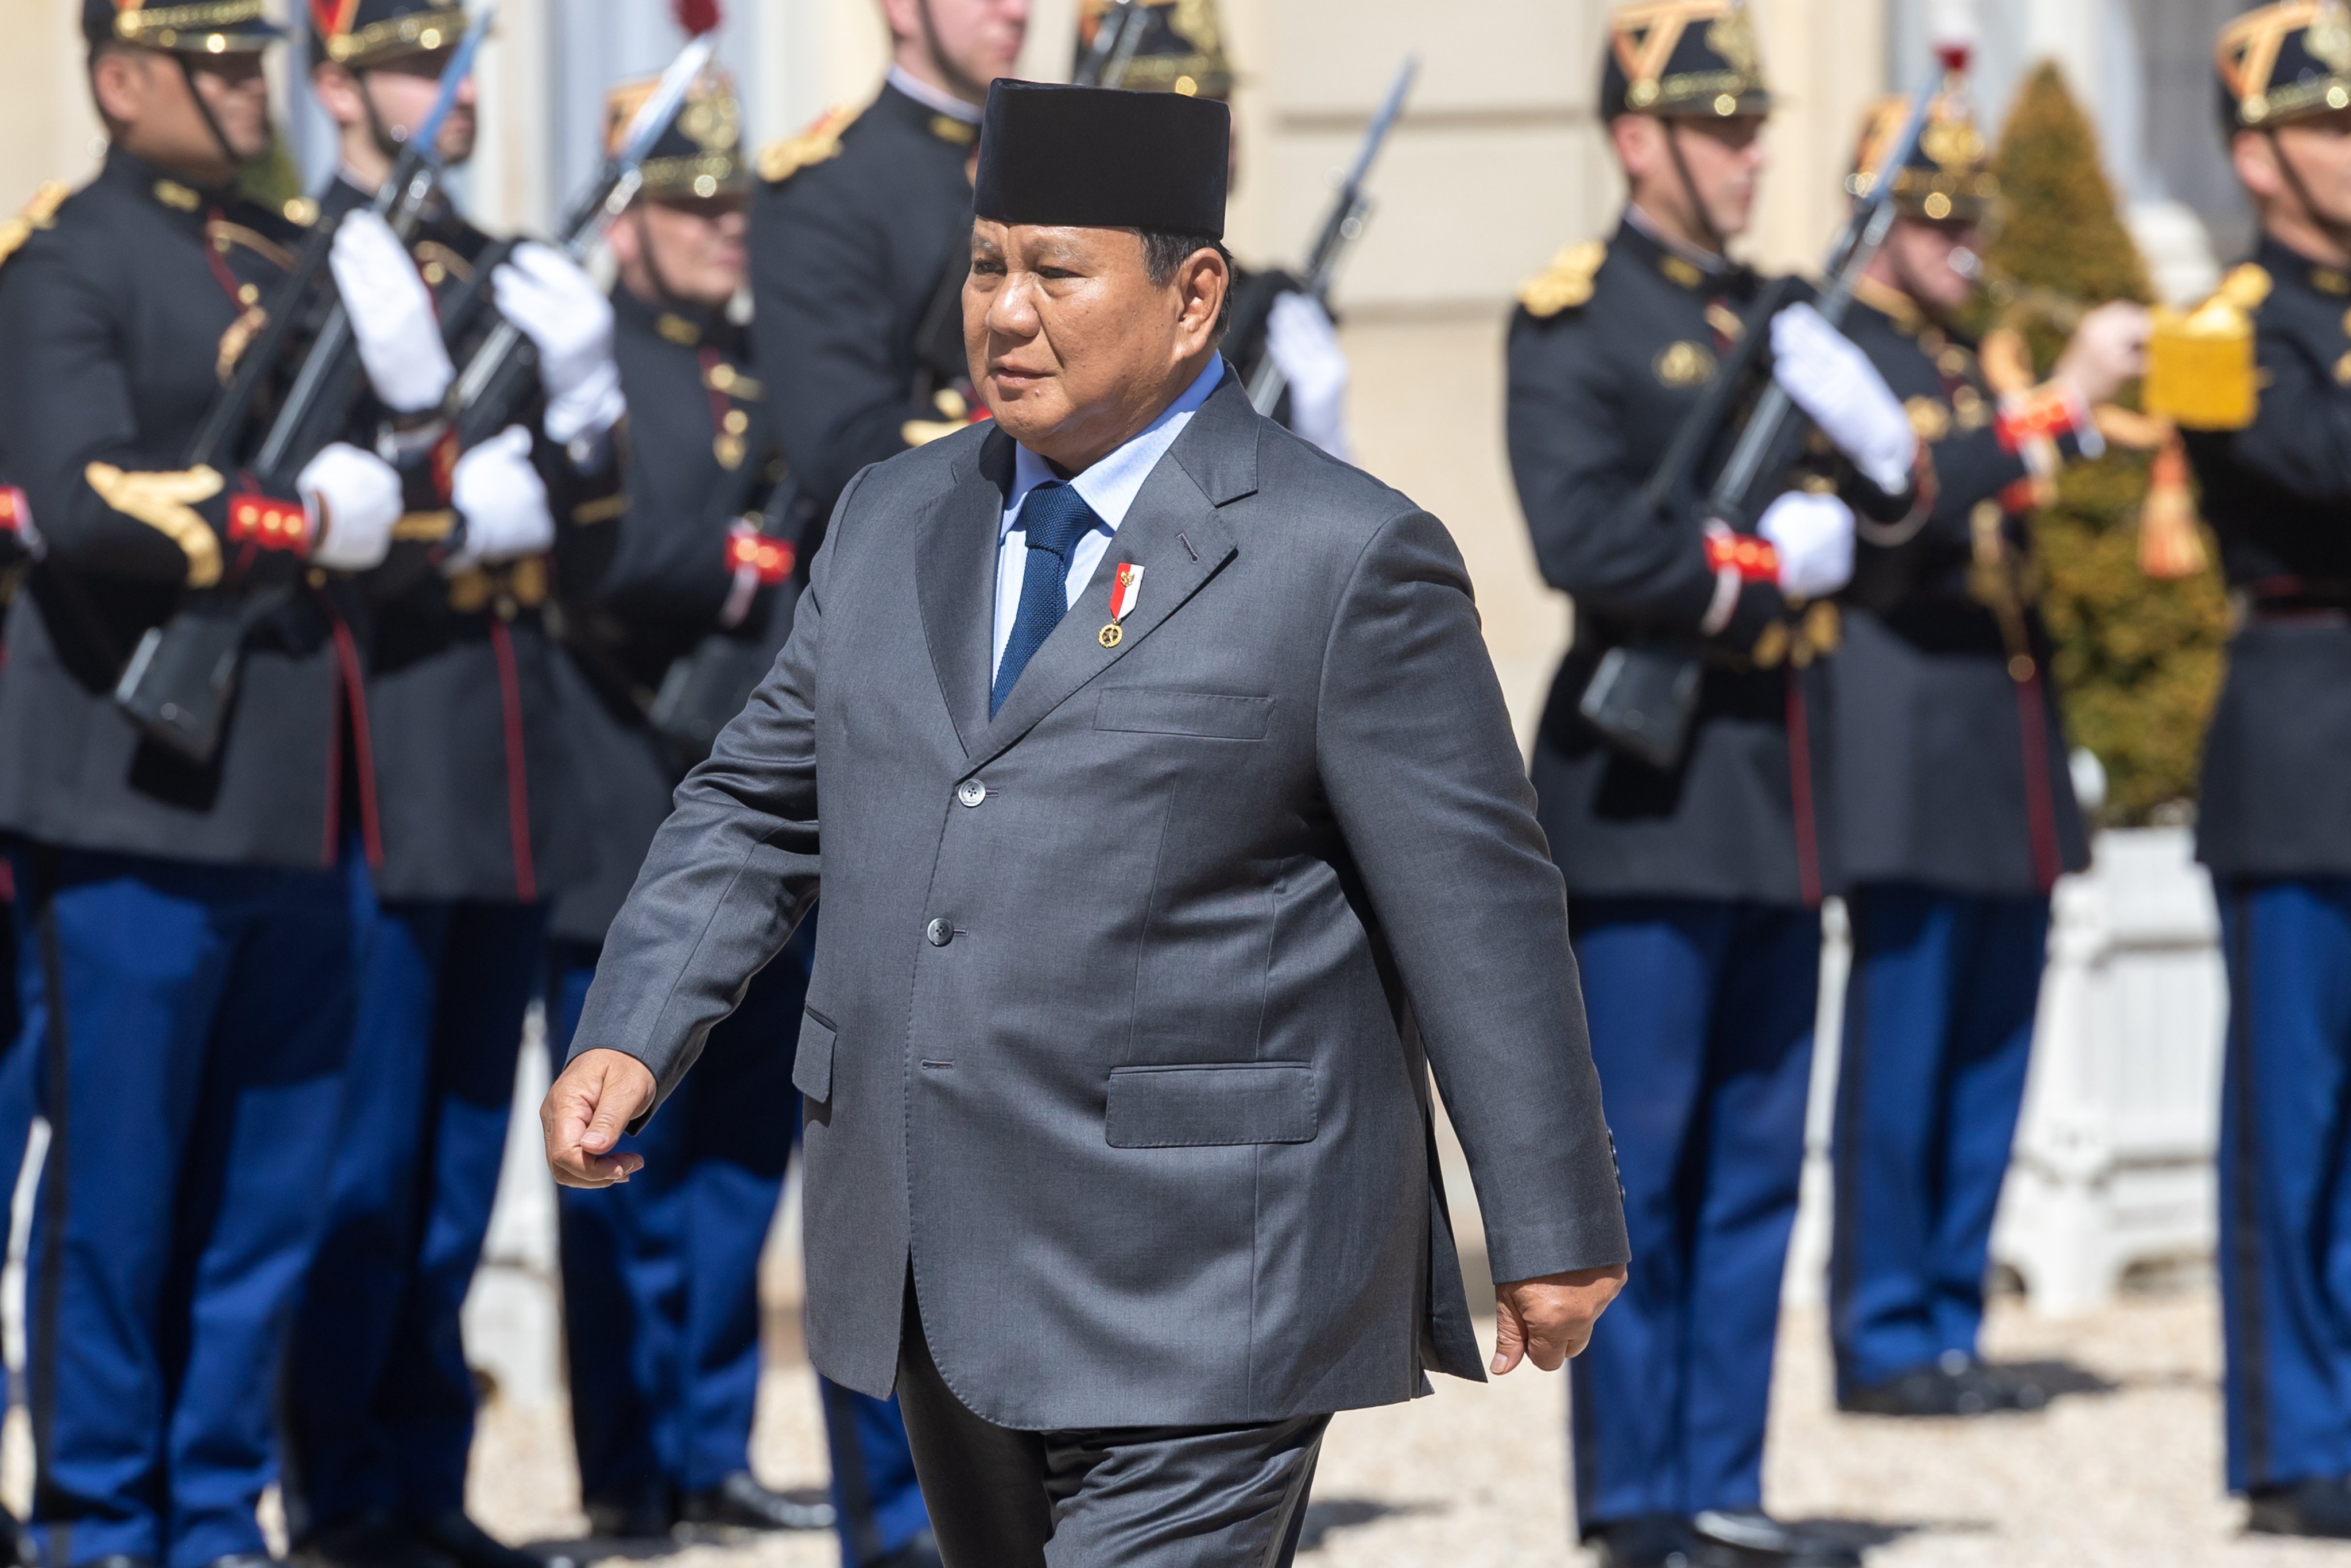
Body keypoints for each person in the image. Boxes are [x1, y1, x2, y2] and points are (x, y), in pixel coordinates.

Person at [547, 79, 1628, 1565]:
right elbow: (760, 802)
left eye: (1055, 273)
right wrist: (635, 1022)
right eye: (986, 266)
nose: (1004, 312)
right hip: (937, 1252)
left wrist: (1550, 1217)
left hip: (1210, 1273)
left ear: (1193, 298)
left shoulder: (1339, 555)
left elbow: (1477, 904)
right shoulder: (889, 518)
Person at [1505, 4, 1922, 1563]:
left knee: (1752, 1169)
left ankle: (1723, 1481)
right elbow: (1583, 536)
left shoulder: (1783, 318)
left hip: (1771, 791)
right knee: (1642, 1172)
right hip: (1644, 796)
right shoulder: (1573, 318)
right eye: (1718, 130)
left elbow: (1898, 530)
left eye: (1753, 129)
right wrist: (1754, 566)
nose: (1749, 156)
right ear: (1638, 141)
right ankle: (1638, 1497)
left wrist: (1879, 468)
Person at [0, 5, 412, 1566]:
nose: (250, 89)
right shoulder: (68, 257)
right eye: (216, 65)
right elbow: (80, 493)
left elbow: (397, 477)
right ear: (122, 80)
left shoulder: (288, 250)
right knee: (119, 1193)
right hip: (129, 794)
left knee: (265, 1196)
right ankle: (101, 1516)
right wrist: (295, 518)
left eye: (255, 63)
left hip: (295, 791)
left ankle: (214, 1510)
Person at [540, 72, 938, 1568]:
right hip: (630, 803)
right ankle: (630, 1468)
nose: (720, 231)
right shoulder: (595, 364)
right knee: (623, 1155)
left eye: (729, 206)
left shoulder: (776, 362)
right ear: (626, 223)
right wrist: (722, 556)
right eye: (686, 206)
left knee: (738, 1167)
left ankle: (709, 1449)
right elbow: (590, 559)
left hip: (781, 812)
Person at [280, 8, 610, 1568]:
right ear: (336, 85)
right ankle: (339, 1484)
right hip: (378, 758)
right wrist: (441, 516)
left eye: (460, 61)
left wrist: (589, 418)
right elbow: (300, 513)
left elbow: (591, 533)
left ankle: (423, 1478)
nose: (454, 93)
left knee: (464, 1154)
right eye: (417, 64)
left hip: (502, 771)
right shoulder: (305, 268)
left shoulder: (502, 272)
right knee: (363, 1157)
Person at [1821, 76, 2148, 1420]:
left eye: (1971, 220)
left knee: (1989, 1055)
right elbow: (1903, 500)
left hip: (1997, 742)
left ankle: (1949, 1320)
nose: (1962, 243)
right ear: (1877, 222)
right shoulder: (1845, 347)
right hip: (1909, 743)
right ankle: (1883, 1330)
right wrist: (2055, 405)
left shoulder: (1957, 354)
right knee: (1904, 1060)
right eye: (1934, 219)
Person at [2179, 0, 2351, 1539]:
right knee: (2291, 1124)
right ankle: (2298, 1443)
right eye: (2328, 125)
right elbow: (2316, 469)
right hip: (2306, 749)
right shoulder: (2222, 328)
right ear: (2256, 156)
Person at [750, 0, 1028, 523]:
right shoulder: (822, 187)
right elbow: (838, 449)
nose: (1016, 11)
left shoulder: (1039, 155)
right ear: (902, 9)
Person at [1069, 0, 1355, 460]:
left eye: (1223, 98)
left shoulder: (1259, 303)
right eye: (1189, 102)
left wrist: (1325, 443)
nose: (1230, 125)